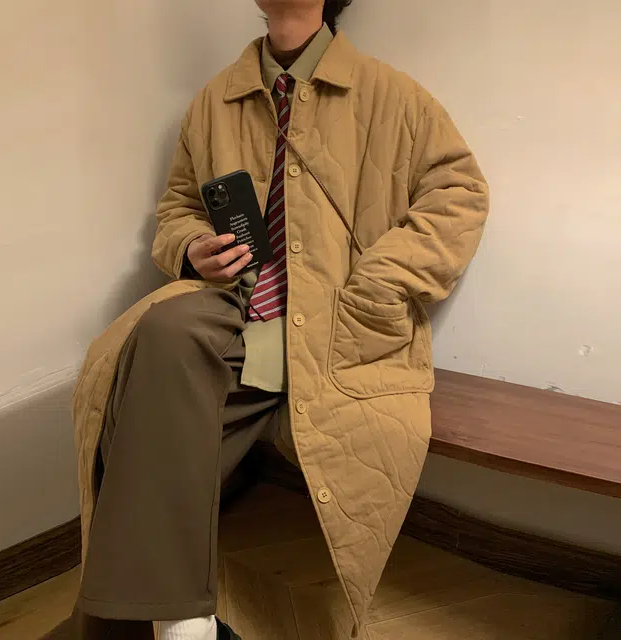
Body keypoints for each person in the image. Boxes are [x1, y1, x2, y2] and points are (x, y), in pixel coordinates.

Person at [46, 0, 489, 638]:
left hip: (329, 319)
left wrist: (376, 290)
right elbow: (177, 206)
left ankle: (136, 628)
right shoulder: (214, 102)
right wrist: (191, 247)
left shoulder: (393, 96)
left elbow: (461, 195)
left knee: (135, 418)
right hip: (233, 304)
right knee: (154, 337)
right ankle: (187, 625)